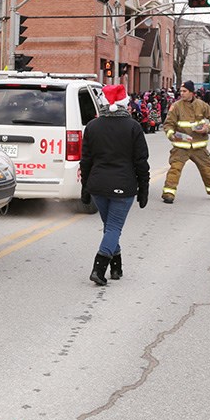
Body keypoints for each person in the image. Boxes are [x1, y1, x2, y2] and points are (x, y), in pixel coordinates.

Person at [80, 84, 150, 286]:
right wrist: (143, 189)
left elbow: (86, 161)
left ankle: (116, 267)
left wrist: (85, 188)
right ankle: (99, 268)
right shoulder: (133, 127)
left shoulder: (92, 127)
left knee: (110, 228)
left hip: (98, 187)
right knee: (113, 228)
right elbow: (141, 162)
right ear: (125, 103)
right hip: (123, 186)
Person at [161, 81, 210, 203]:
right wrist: (172, 135)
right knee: (175, 169)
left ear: (191, 92)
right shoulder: (176, 106)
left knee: (207, 169)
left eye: (184, 91)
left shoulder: (202, 105)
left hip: (199, 147)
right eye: (181, 91)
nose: (181, 93)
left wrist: (208, 128)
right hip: (181, 147)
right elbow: (168, 124)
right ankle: (168, 194)